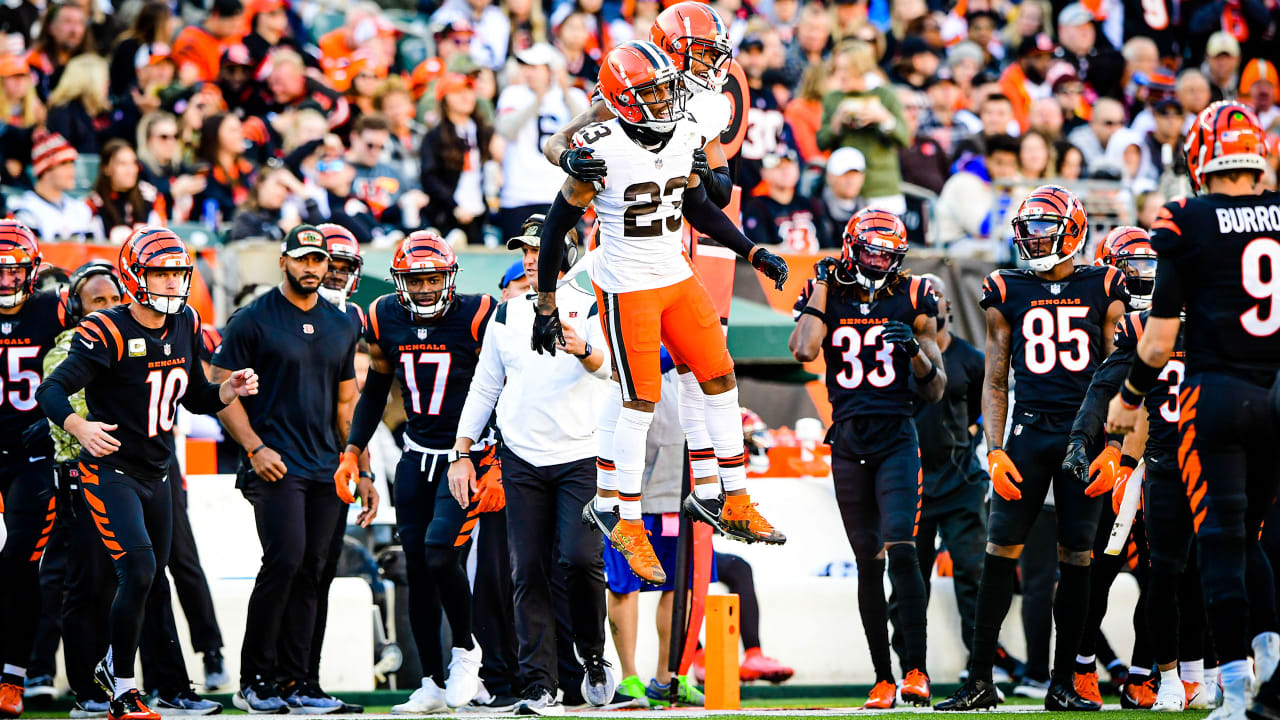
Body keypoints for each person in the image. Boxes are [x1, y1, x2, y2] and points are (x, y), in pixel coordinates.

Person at [532, 41, 788, 586]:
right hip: (627, 285)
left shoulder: (685, 129)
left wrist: (752, 252)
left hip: (674, 273)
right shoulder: (599, 147)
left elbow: (698, 206)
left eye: (667, 86)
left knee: (720, 378)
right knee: (639, 400)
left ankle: (734, 498)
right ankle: (621, 515)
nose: (666, 99)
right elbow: (556, 227)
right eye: (649, 91)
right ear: (622, 100)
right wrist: (546, 302)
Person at [36, 227, 257, 720]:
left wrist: (229, 390)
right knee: (134, 569)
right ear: (136, 275)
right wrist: (79, 425)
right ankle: (122, 687)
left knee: (152, 576)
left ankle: (118, 671)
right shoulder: (107, 329)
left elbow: (195, 395)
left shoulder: (186, 322)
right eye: (160, 271)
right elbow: (50, 390)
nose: (171, 281)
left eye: (177, 272)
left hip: (157, 471)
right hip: (108, 468)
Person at [1110, 101, 1280, 720]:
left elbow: (1157, 341)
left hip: (1219, 396)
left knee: (1221, 540)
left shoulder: (1184, 218)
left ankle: (1234, 694)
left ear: (1200, 159)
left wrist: (1129, 400)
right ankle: (1275, 671)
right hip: (1277, 389)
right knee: (1258, 538)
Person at [936, 185, 1127, 711]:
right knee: (1001, 552)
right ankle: (980, 679)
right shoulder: (1007, 287)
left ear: (1073, 231)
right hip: (1028, 430)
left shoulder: (1105, 285)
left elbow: (1117, 373)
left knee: (1078, 556)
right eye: (1028, 230)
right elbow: (996, 379)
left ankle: (1063, 681)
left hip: (1083, 435)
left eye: (1044, 229)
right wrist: (995, 448)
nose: (1033, 240)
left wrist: (1113, 444)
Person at [450, 214, 615, 713]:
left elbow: (612, 368)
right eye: (524, 250)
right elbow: (485, 387)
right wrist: (462, 451)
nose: (529, 257)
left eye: (538, 248)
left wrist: (583, 349)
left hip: (580, 454)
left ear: (565, 254)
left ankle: (591, 655)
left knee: (581, 560)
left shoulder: (591, 307)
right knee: (528, 574)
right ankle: (539, 684)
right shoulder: (506, 315)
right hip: (521, 455)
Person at [789, 209, 946, 708]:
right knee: (866, 561)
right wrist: (818, 288)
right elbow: (802, 349)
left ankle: (916, 671)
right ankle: (882, 677)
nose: (879, 261)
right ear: (852, 247)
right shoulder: (828, 293)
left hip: (897, 434)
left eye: (887, 253)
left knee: (902, 549)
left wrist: (917, 355)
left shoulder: (914, 295)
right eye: (872, 250)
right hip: (849, 441)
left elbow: (937, 388)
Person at [334, 232, 494, 714]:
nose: (424, 288)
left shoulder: (479, 313)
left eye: (432, 278)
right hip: (415, 455)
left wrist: (500, 459)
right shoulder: (384, 314)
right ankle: (429, 682)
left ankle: (466, 653)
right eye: (415, 279)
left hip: (466, 459)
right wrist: (353, 450)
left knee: (442, 553)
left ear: (448, 277)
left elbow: (504, 385)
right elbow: (377, 387)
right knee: (418, 569)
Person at [211, 225, 368, 714]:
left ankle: (302, 683)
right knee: (286, 561)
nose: (311, 268)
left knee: (316, 571)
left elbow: (348, 403)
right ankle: (255, 680)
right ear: (283, 262)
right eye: (302, 259)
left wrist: (361, 469)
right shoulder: (252, 319)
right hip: (274, 463)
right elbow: (218, 390)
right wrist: (255, 448)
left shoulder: (343, 322)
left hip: (327, 465)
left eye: (319, 260)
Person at [1062, 227, 1213, 711]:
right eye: (1131, 268)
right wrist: (1097, 446)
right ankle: (1082, 663)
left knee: (1166, 573)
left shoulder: (1183, 322)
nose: (1143, 277)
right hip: (1114, 451)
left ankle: (1151, 673)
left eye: (1152, 266)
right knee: (1098, 566)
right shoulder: (1103, 312)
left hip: (1161, 455)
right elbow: (1101, 390)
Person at [885, 273, 988, 673]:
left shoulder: (972, 359)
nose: (933, 303)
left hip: (961, 480)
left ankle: (978, 665)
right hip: (911, 483)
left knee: (973, 575)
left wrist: (976, 438)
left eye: (938, 296)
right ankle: (911, 667)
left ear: (947, 306)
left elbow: (986, 407)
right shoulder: (896, 356)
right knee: (910, 584)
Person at [0, 221, 70, 719]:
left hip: (32, 455)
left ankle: (13, 678)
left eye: (13, 271)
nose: (5, 281)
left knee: (20, 565)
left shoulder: (54, 309)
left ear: (33, 270)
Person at [493, 42, 588, 242]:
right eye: (526, 67)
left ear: (551, 70)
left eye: (535, 67)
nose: (528, 72)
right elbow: (506, 130)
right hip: (519, 195)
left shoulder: (573, 96)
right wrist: (537, 99)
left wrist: (564, 93)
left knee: (563, 259)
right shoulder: (513, 95)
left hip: (560, 194)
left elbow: (587, 130)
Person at [11, 129, 101, 243]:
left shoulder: (81, 209)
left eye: (72, 165)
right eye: (64, 165)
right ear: (45, 170)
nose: (72, 172)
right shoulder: (25, 211)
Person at [741, 148, 828, 253]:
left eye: (789, 166)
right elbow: (758, 248)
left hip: (812, 266)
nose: (785, 171)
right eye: (778, 167)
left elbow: (827, 245)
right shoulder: (757, 207)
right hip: (778, 267)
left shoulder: (811, 204)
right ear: (764, 173)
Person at [90, 140, 166, 242]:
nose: (130, 170)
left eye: (133, 163)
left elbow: (161, 237)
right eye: (123, 164)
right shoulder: (93, 203)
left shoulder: (151, 197)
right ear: (106, 168)